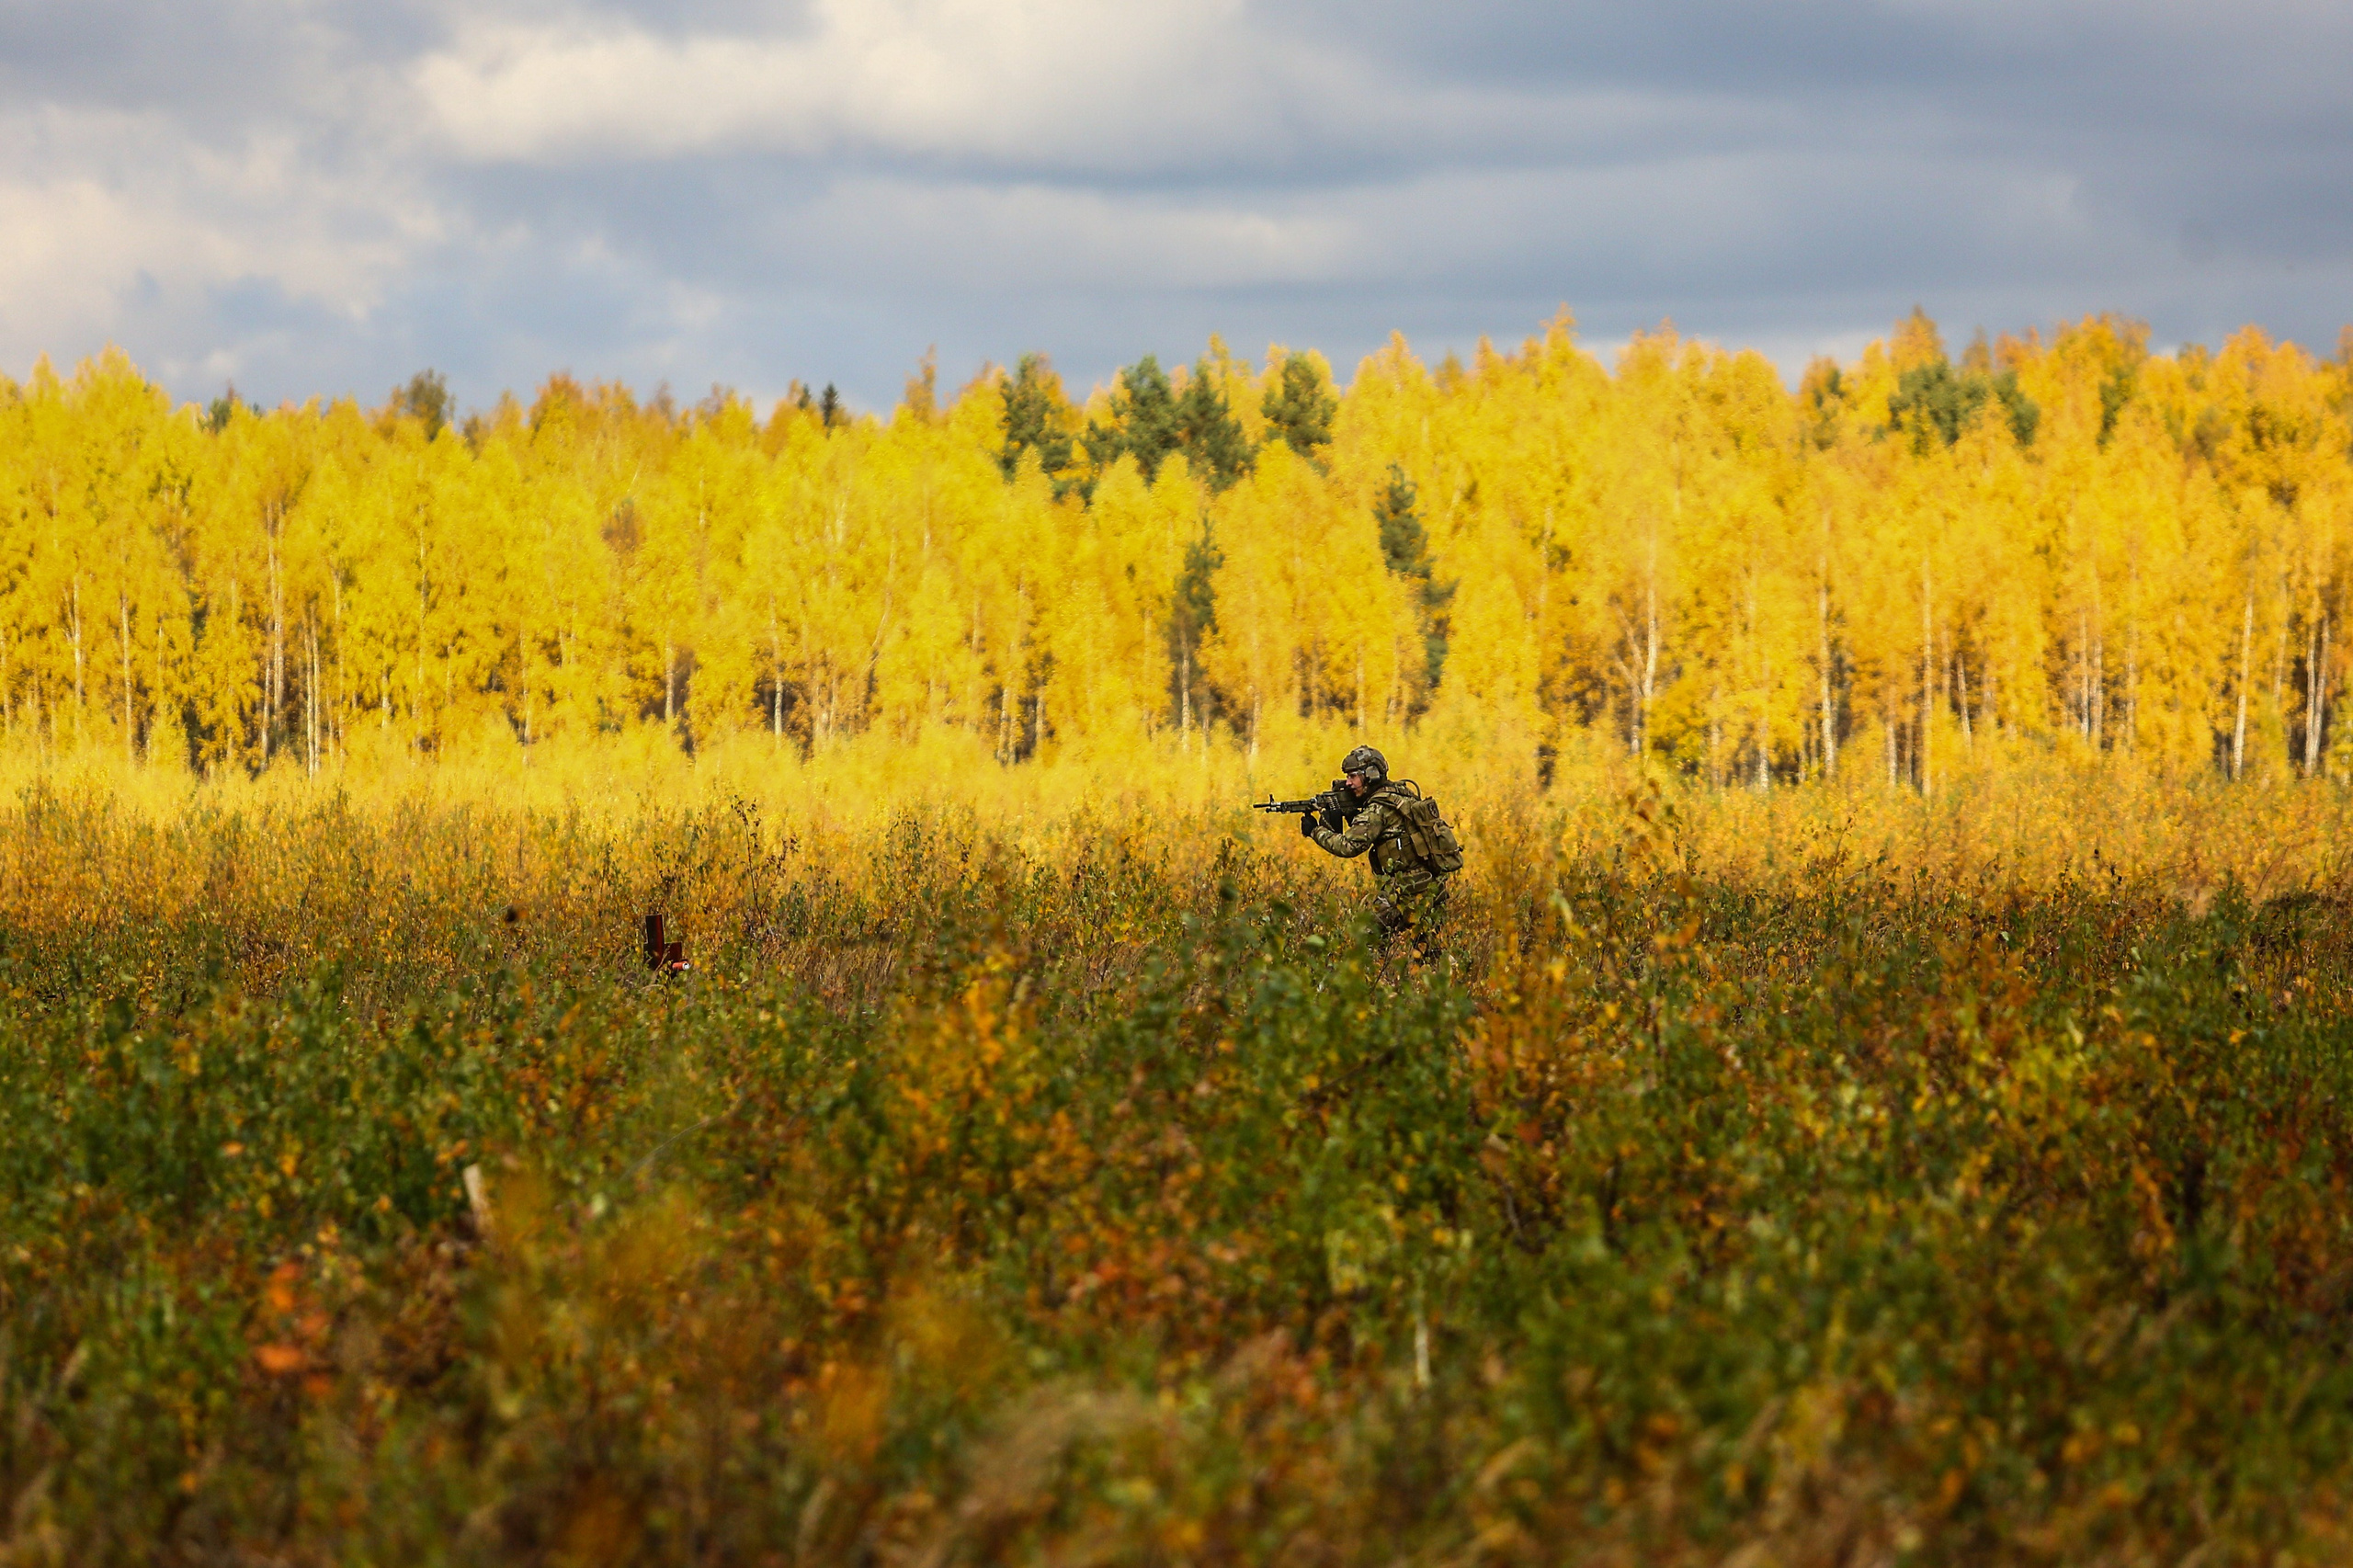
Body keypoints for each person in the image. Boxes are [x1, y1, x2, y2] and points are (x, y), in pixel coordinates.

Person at [1301, 744, 1456, 954]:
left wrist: (1315, 831)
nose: (1348, 782)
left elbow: (1349, 846)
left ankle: (1375, 983)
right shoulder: (1402, 794)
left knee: (1366, 944)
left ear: (1371, 775)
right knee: (1427, 951)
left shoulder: (1377, 809)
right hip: (1430, 885)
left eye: (1353, 776)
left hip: (1406, 891)